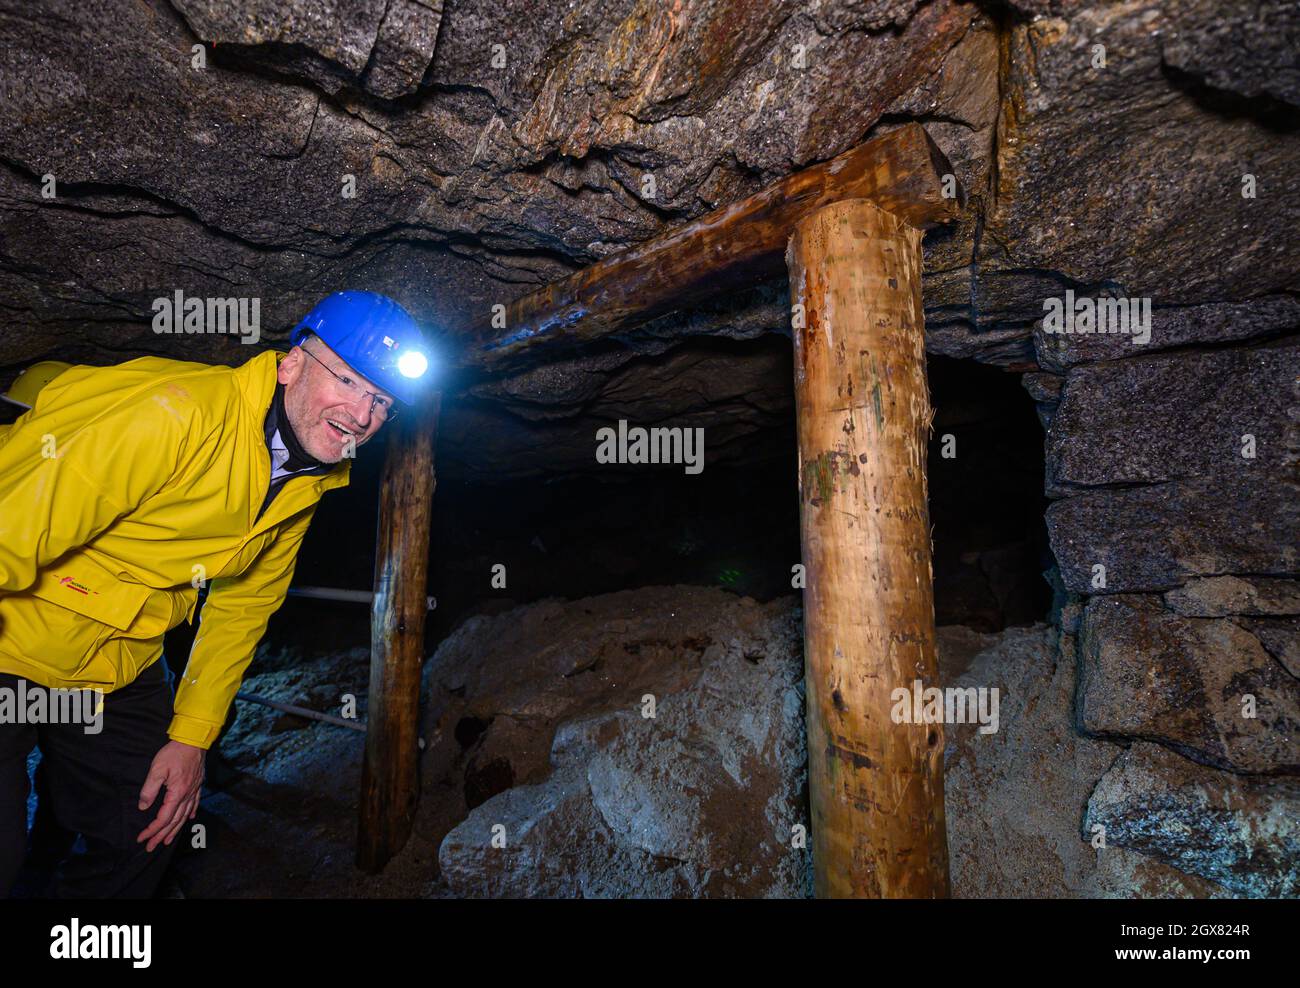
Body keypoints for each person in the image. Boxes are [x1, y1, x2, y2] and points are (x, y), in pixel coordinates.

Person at [0, 290, 430, 897]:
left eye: (382, 400)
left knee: (149, 827)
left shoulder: (306, 477)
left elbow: (244, 606)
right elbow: (10, 530)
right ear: (291, 365)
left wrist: (191, 738)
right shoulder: (173, 415)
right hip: (11, 634)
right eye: (351, 381)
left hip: (118, 658)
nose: (363, 415)